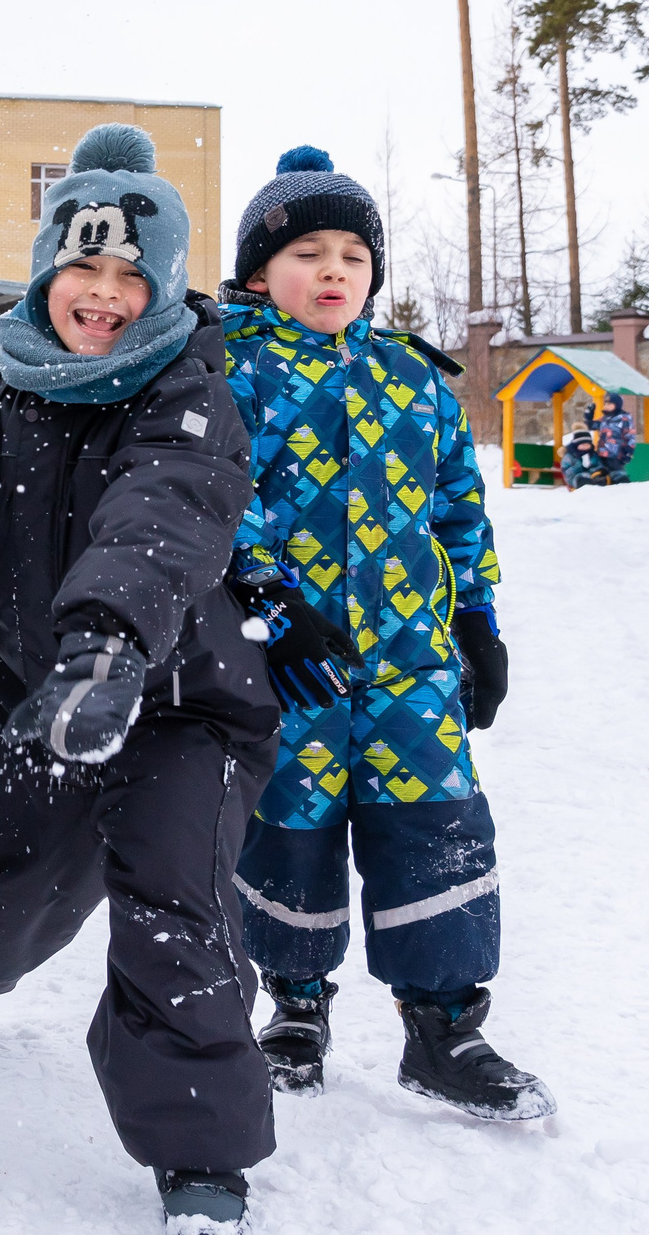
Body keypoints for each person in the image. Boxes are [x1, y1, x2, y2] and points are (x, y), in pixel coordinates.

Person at [0, 123, 286, 1231]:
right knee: (2, 895)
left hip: (181, 702)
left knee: (175, 908)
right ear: (45, 270)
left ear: (163, 287)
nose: (104, 294)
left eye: (130, 274)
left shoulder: (192, 395)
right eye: (84, 267)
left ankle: (198, 1154)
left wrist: (109, 646)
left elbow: (155, 519)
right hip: (34, 694)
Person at [220, 146, 554, 1126]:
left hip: (411, 666)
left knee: (437, 832)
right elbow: (220, 507)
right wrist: (269, 609)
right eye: (307, 251)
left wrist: (478, 623)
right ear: (256, 274)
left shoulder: (413, 378)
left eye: (352, 255)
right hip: (295, 661)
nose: (332, 270)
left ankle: (443, 1026)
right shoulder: (235, 375)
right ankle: (294, 1006)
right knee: (290, 830)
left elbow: (459, 512)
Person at [592, 394, 636, 481]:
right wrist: (588, 416)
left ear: (617, 405)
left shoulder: (624, 418)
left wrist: (628, 451)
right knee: (604, 472)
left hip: (616, 453)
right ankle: (605, 485)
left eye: (609, 404)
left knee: (616, 471)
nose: (606, 406)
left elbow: (630, 435)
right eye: (605, 404)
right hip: (602, 451)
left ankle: (621, 484)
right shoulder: (605, 418)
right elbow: (593, 426)